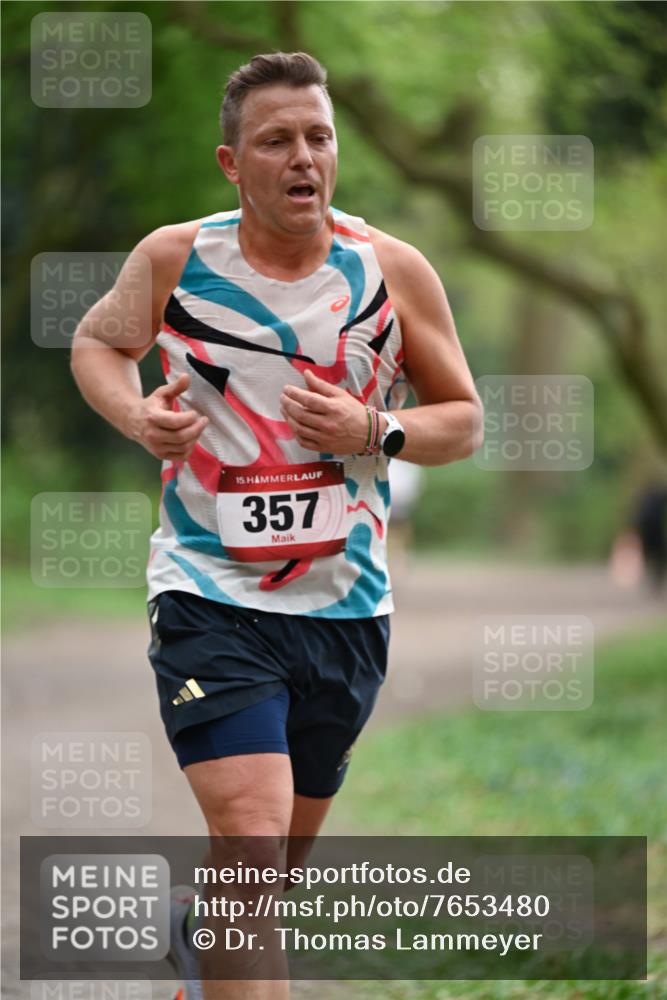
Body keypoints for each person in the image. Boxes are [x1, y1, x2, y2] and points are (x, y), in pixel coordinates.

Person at [71, 51, 482, 1000]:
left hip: (345, 612)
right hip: (210, 595)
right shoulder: (176, 258)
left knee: (262, 884)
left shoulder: (391, 273)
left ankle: (198, 943)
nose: (305, 156)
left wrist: (376, 427)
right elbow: (99, 342)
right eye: (277, 140)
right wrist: (138, 415)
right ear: (231, 163)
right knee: (251, 846)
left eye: (319, 137)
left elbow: (461, 420)